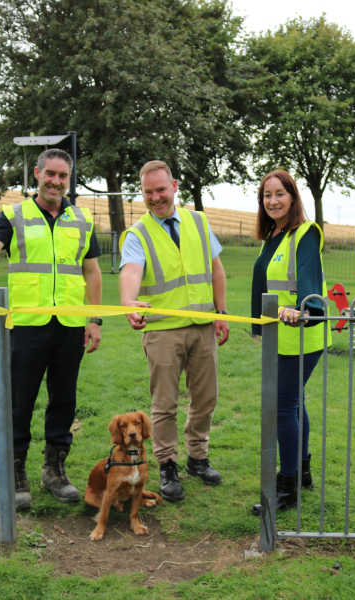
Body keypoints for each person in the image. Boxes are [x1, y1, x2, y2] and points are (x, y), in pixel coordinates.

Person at [0, 148, 102, 510]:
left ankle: (54, 469)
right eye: (50, 173)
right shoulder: (14, 215)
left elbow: (92, 272)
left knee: (64, 399)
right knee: (20, 403)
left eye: (63, 176)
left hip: (69, 326)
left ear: (69, 179)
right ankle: (16, 471)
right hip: (27, 326)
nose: (56, 181)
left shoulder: (82, 219)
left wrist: (94, 320)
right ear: (37, 174)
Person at [119, 160, 230, 501]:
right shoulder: (138, 233)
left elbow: (216, 269)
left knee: (205, 399)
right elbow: (131, 271)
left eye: (161, 189)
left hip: (203, 328)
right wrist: (128, 302)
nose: (155, 197)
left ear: (175, 186)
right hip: (163, 332)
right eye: (148, 192)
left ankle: (198, 458)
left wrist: (221, 312)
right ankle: (167, 465)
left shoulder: (198, 221)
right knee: (164, 404)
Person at [249, 170, 332, 515]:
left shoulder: (305, 233)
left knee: (282, 407)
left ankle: (287, 485)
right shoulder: (274, 236)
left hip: (302, 334)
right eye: (266, 195)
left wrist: (306, 308)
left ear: (293, 197)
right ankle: (304, 474)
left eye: (279, 194)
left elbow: (309, 276)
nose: (272, 201)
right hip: (280, 336)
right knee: (294, 404)